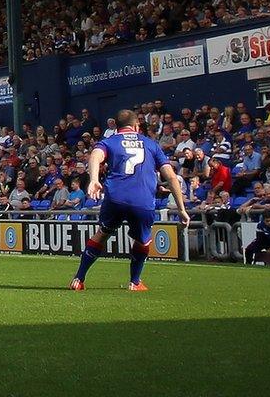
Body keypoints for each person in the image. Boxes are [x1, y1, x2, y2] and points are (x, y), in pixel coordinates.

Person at [73, 109, 188, 292]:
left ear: (117, 128)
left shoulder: (109, 141)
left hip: (115, 197)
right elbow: (172, 177)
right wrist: (181, 208)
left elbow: (95, 155)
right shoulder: (151, 144)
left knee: (102, 233)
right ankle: (134, 282)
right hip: (142, 200)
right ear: (136, 126)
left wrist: (94, 179)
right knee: (143, 241)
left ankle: (79, 279)